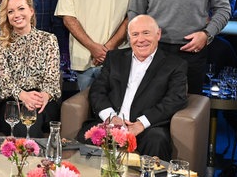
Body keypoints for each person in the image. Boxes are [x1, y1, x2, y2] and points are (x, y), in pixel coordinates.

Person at [80, 15, 188, 161]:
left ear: (158, 34)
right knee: (85, 136)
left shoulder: (174, 64)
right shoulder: (114, 58)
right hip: (112, 123)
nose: (141, 39)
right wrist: (111, 117)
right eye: (135, 34)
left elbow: (175, 99)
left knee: (157, 140)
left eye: (146, 33)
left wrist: (141, 124)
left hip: (147, 128)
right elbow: (97, 90)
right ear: (129, 38)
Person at [0, 0, 61, 138]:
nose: (16, 15)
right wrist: (23, 96)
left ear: (31, 11)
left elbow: (52, 78)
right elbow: (3, 82)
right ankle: (23, 159)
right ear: (7, 16)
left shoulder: (48, 39)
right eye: (11, 11)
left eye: (21, 9)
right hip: (12, 101)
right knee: (24, 125)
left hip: (42, 100)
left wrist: (43, 97)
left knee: (31, 120)